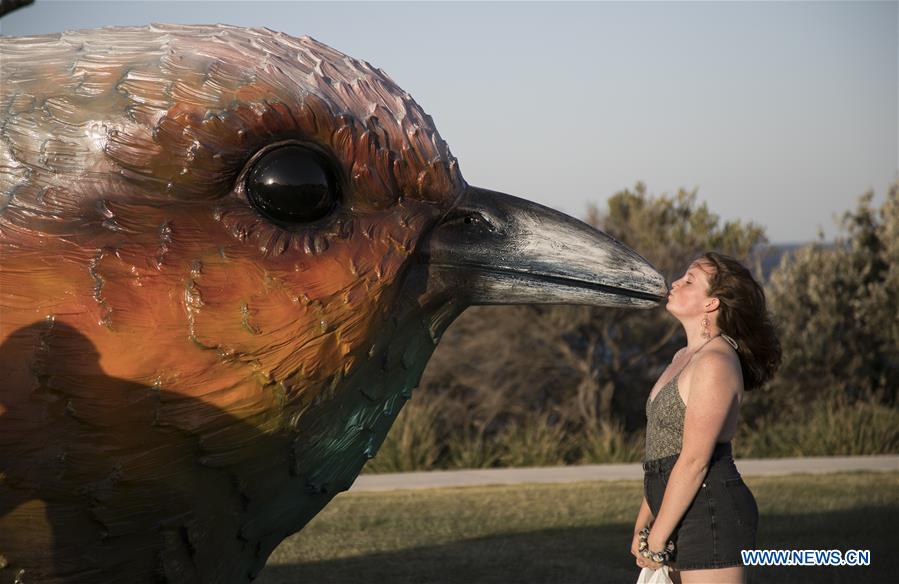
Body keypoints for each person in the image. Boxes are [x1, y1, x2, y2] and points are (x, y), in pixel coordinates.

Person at [630, 252, 781, 583]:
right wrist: (645, 522)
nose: (675, 283)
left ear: (712, 304)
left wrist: (656, 540)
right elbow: (662, 449)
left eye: (688, 281)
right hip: (678, 511)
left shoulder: (715, 362)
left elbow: (695, 459)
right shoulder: (683, 357)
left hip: (710, 514)